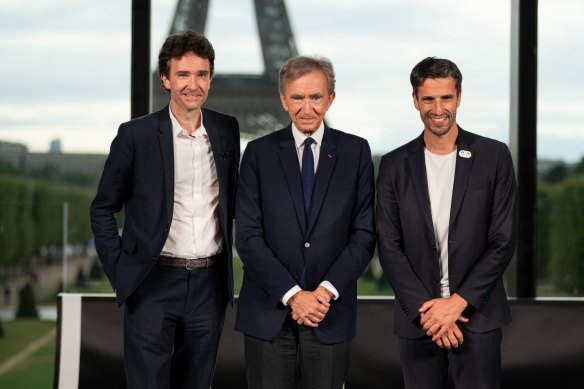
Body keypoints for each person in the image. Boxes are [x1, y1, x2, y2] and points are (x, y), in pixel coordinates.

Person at [90, 31, 240, 389]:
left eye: (201, 75)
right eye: (184, 75)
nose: (193, 84)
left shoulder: (226, 130)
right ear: (166, 78)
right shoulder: (135, 135)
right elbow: (102, 209)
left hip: (209, 286)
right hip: (153, 283)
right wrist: (122, 270)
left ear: (210, 78)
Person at [376, 57, 518, 389]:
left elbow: (503, 239)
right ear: (415, 100)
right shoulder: (394, 164)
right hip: (418, 318)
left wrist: (456, 303)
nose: (438, 108)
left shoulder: (494, 156)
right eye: (428, 99)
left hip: (477, 315)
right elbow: (388, 244)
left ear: (459, 97)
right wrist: (430, 311)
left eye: (446, 98)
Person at [234, 55, 376, 388]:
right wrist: (295, 295)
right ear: (283, 100)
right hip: (268, 312)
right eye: (297, 97)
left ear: (330, 98)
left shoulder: (356, 152)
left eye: (315, 97)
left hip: (330, 313)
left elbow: (364, 235)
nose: (307, 107)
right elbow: (249, 237)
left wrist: (323, 294)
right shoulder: (257, 153)